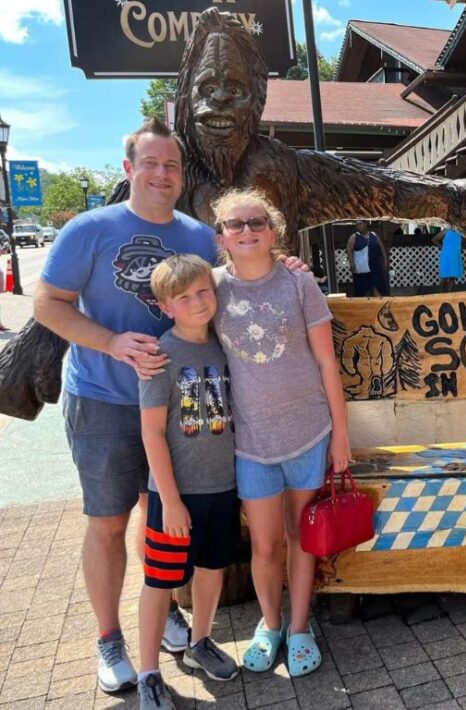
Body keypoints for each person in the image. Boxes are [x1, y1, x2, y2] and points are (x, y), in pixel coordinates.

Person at [33, 117, 306, 694]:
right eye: (151, 163)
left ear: (182, 176)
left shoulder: (196, 235)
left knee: (157, 509)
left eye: (172, 165)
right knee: (108, 520)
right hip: (105, 397)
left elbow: (239, 269)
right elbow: (46, 303)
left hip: (184, 409)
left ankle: (177, 621)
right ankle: (110, 638)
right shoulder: (89, 228)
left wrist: (290, 269)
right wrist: (108, 341)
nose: (162, 173)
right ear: (129, 168)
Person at [212, 188, 351, 678]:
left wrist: (339, 435)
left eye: (256, 222)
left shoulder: (298, 284)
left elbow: (326, 360)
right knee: (265, 544)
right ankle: (268, 624)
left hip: (308, 432)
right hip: (250, 442)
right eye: (235, 224)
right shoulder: (212, 289)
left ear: (273, 231)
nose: (246, 231)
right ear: (222, 236)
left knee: (300, 538)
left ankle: (298, 627)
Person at [137, 255, 240, 709]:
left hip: (222, 486)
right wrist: (171, 501)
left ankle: (200, 642)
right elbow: (152, 432)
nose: (198, 302)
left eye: (204, 292)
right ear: (165, 306)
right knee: (160, 582)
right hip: (175, 496)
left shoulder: (224, 345)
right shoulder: (161, 357)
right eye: (184, 297)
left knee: (212, 569)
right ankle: (148, 673)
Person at [346, 220, 389, 297]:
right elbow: (349, 249)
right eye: (357, 225)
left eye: (360, 224)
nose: (358, 226)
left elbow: (382, 248)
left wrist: (385, 260)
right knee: (364, 290)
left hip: (375, 266)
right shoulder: (354, 236)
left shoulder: (374, 235)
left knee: (377, 287)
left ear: (365, 224)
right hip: (362, 269)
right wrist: (351, 263)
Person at [433, 226, 463, 292]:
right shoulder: (446, 230)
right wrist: (442, 247)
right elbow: (434, 240)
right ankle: (442, 295)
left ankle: (449, 296)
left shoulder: (460, 231)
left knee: (452, 277)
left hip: (455, 255)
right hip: (446, 256)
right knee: (444, 277)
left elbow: (461, 243)